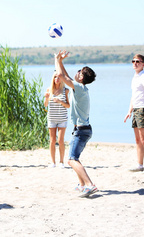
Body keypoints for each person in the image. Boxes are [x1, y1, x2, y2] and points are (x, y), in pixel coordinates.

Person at [55, 50, 98, 198]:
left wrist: (56, 59)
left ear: (81, 78)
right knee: (75, 158)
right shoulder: (80, 88)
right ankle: (82, 185)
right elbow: (66, 77)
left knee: (71, 159)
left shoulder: (78, 87)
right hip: (84, 129)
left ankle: (89, 185)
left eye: (80, 72)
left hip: (81, 130)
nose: (77, 72)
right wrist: (60, 61)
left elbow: (61, 76)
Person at [44, 71, 70, 168]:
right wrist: (46, 98)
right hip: (51, 118)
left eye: (58, 77)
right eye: (55, 77)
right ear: (53, 79)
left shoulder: (65, 90)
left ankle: (61, 162)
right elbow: (45, 105)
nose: (57, 79)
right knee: (52, 140)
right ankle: (53, 162)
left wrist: (60, 101)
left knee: (61, 140)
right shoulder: (49, 90)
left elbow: (68, 105)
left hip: (62, 118)